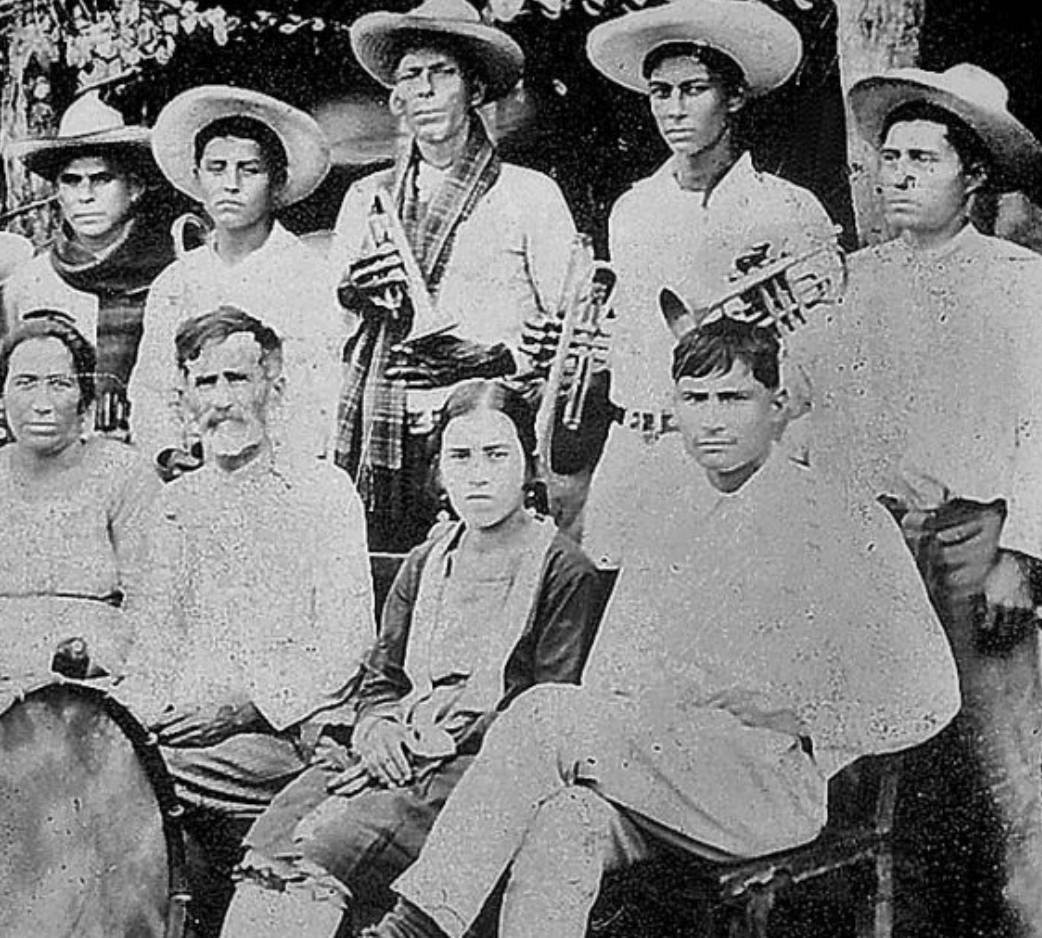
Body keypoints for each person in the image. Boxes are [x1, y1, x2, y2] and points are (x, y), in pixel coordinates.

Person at [361, 318, 959, 938]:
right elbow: (609, 675)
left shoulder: (841, 519)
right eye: (695, 400)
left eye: (734, 398)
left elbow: (931, 698)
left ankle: (412, 930)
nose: (712, 421)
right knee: (565, 822)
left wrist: (801, 716)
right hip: (653, 775)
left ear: (778, 405)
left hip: (761, 791)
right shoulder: (664, 512)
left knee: (544, 714)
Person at [219, 379, 607, 937]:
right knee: (274, 839)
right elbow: (383, 678)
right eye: (460, 456)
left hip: (478, 774)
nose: (478, 474)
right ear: (439, 470)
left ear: (529, 464)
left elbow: (546, 710)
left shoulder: (563, 571)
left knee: (327, 844)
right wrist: (378, 729)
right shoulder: (426, 561)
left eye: (496, 455)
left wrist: (425, 744)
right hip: (387, 755)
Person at [807, 63, 1042, 937]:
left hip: (974, 541)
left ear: (973, 176)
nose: (898, 176)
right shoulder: (858, 280)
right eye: (891, 158)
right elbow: (832, 420)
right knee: (880, 760)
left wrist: (1021, 556)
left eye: (923, 159)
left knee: (1007, 759)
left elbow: (1040, 423)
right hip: (877, 546)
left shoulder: (1020, 282)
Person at [116, 306, 374, 936]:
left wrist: (246, 705)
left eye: (238, 379)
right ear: (184, 399)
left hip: (282, 733)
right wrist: (135, 717)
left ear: (273, 388)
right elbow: (153, 643)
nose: (222, 400)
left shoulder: (322, 492)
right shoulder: (175, 503)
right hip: (185, 735)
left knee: (123, 781)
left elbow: (348, 643)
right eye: (206, 383)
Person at [576, 0, 841, 566]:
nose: (674, 109)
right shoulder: (632, 210)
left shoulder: (788, 209)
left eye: (693, 89)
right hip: (636, 450)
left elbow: (823, 365)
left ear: (735, 96)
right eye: (660, 92)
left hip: (739, 462)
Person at [331, 0, 577, 553]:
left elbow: (569, 339)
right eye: (410, 77)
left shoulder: (528, 195)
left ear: (476, 90)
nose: (424, 90)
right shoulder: (367, 199)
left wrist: (494, 357)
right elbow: (331, 335)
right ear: (396, 98)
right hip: (387, 434)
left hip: (486, 437)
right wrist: (354, 294)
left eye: (441, 74)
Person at [0, 315, 160, 676]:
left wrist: (102, 661)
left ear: (85, 400)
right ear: (0, 398)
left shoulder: (124, 474)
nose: (42, 404)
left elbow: (150, 598)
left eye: (60, 384)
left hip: (93, 679)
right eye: (25, 383)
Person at [129, 85, 344, 472]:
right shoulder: (175, 282)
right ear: (197, 177)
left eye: (249, 170)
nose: (231, 184)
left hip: (284, 472)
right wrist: (167, 452)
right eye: (217, 168)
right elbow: (151, 388)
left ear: (277, 182)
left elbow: (323, 397)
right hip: (195, 475)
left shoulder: (311, 277)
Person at [4, 90, 178, 434]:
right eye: (71, 181)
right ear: (58, 192)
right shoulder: (31, 281)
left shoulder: (174, 271)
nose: (85, 196)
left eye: (101, 179)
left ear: (135, 188)